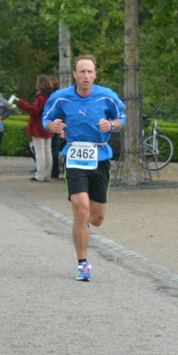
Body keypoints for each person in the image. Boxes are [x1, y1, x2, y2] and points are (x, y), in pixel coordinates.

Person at [42, 56, 125, 281]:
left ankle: (85, 223)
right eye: (82, 72)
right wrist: (52, 125)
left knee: (96, 218)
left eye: (90, 72)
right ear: (75, 75)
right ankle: (83, 263)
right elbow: (46, 118)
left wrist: (112, 124)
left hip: (100, 157)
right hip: (74, 158)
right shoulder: (61, 98)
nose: (86, 76)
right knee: (80, 209)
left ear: (95, 74)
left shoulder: (107, 96)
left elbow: (121, 117)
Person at [15, 74, 58, 181]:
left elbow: (35, 110)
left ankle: (40, 174)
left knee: (40, 151)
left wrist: (21, 103)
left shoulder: (41, 96)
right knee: (48, 150)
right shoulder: (52, 96)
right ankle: (47, 174)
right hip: (49, 125)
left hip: (38, 125)